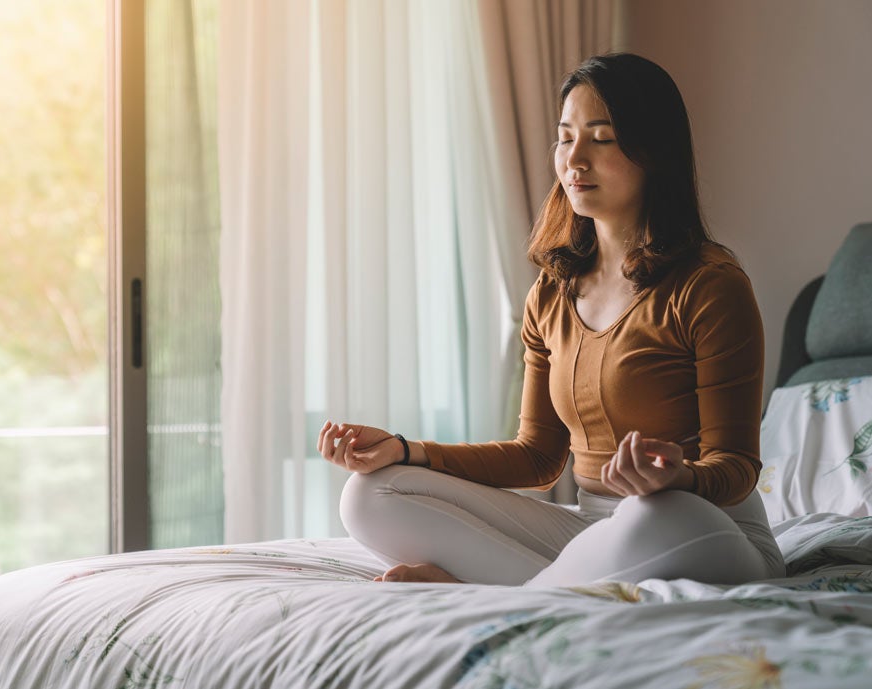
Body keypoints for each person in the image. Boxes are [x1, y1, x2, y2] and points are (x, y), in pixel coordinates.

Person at [316, 53, 786, 588]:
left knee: (656, 512)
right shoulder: (552, 292)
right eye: (565, 138)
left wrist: (679, 477)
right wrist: (404, 450)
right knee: (371, 493)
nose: (574, 160)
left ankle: (500, 589)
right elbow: (538, 457)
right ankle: (552, 587)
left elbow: (737, 467)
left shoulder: (710, 285)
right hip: (591, 534)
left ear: (654, 151)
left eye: (602, 138)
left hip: (703, 525)